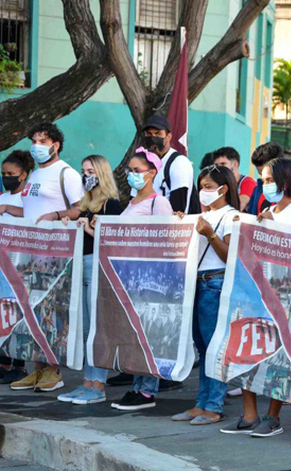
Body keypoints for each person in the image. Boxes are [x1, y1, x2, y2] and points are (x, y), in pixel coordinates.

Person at [220, 158, 291, 438]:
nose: (265, 185)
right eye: (262, 179)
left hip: (284, 296)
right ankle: (249, 414)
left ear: (285, 181)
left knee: (278, 358)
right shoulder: (265, 210)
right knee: (249, 349)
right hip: (255, 291)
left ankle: (273, 417)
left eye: (270, 180)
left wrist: (274, 228)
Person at [11, 122, 83, 393]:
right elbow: (30, 210)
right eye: (34, 140)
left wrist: (56, 216)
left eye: (43, 141)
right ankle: (37, 368)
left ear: (56, 144)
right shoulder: (34, 176)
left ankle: (53, 369)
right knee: (32, 312)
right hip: (28, 255)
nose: (37, 145)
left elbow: (78, 209)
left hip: (53, 254)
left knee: (51, 312)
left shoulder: (66, 174)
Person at [170, 165, 239, 425]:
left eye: (209, 187)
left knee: (214, 347)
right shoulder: (202, 215)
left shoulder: (231, 216)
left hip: (215, 283)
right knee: (202, 348)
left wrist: (209, 233)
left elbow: (229, 255)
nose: (204, 191)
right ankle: (201, 403)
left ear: (223, 188)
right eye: (202, 186)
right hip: (197, 283)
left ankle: (214, 405)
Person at [110, 149, 174, 411]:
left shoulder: (158, 203)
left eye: (137, 170)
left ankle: (147, 390)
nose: (131, 175)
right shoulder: (133, 202)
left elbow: (166, 240)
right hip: (129, 278)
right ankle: (137, 385)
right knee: (134, 333)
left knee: (147, 334)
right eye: (130, 170)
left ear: (151, 173)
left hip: (149, 280)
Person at [56, 155, 122, 405]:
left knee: (97, 328)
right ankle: (87, 382)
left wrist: (87, 229)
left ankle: (98, 384)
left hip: (97, 265)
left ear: (102, 173)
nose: (86, 175)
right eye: (83, 171)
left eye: (91, 171)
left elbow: (112, 243)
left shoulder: (111, 204)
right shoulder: (87, 202)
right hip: (83, 265)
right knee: (85, 329)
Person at [0, 150, 34, 385]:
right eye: (3, 174)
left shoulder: (28, 197)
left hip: (20, 264)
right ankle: (3, 362)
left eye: (11, 174)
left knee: (17, 314)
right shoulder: (2, 196)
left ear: (23, 175)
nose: (6, 177)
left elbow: (35, 216)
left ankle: (19, 365)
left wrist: (9, 210)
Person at [139, 114, 198, 214]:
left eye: (158, 134)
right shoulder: (141, 162)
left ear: (168, 136)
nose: (153, 138)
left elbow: (178, 206)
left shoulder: (178, 163)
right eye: (149, 134)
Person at [245, 142, 291, 215]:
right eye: (261, 175)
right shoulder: (258, 188)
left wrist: (274, 218)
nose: (265, 183)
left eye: (269, 179)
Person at [212, 147, 257, 211]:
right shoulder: (217, 184)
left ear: (235, 165)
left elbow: (238, 206)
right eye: (216, 165)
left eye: (223, 164)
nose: (219, 168)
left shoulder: (248, 183)